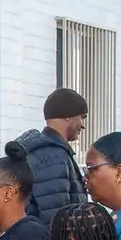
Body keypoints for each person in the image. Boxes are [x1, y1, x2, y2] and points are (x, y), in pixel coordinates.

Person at [15, 89, 89, 226]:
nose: (83, 125)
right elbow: (56, 215)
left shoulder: (49, 151)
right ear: (68, 115)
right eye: (82, 117)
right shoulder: (52, 156)